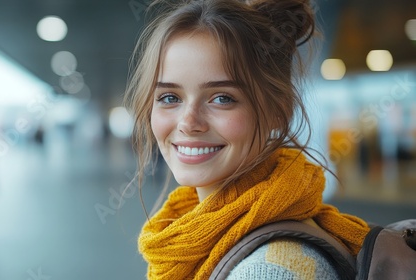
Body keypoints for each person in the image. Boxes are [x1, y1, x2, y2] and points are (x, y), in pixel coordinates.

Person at [124, 0, 370, 279]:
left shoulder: (269, 270)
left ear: (278, 111)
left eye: (222, 98)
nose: (188, 123)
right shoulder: (191, 234)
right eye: (170, 98)